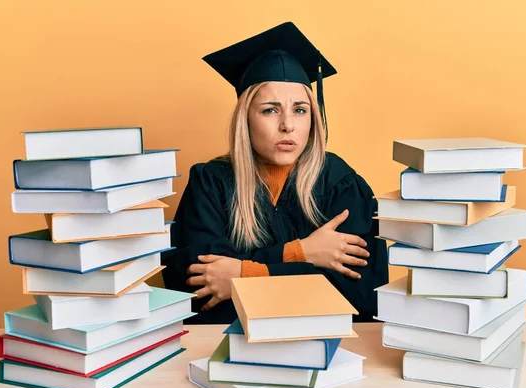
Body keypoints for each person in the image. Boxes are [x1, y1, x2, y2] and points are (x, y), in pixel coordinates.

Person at [161, 22, 388, 324]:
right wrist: (300, 253)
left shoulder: (341, 183)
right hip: (225, 348)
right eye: (270, 110)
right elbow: (201, 289)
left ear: (313, 117)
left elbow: (358, 297)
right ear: (246, 118)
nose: (288, 125)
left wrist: (244, 273)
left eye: (300, 110)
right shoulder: (212, 182)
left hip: (324, 347)